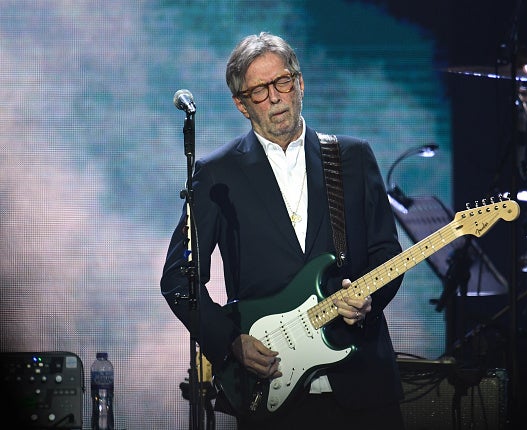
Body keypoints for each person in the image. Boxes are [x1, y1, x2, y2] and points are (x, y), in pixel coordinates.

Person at [161, 32, 406, 430]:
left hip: (363, 387)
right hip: (272, 392)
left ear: (300, 83)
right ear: (241, 104)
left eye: (282, 82)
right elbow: (177, 279)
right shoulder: (217, 174)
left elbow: (386, 253)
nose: (275, 96)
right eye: (259, 90)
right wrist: (230, 342)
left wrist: (368, 300)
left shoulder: (352, 157)